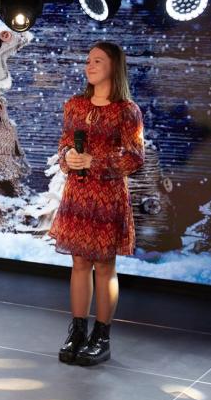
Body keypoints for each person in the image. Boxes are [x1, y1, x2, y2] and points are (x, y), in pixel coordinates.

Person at [48, 41, 144, 366]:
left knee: (103, 266)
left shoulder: (127, 110)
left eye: (98, 61)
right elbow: (64, 144)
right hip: (77, 193)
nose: (89, 65)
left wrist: (96, 161)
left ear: (114, 67)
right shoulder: (75, 105)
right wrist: (68, 158)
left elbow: (135, 157)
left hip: (107, 196)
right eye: (88, 60)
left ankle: (101, 337)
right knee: (78, 263)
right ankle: (77, 332)